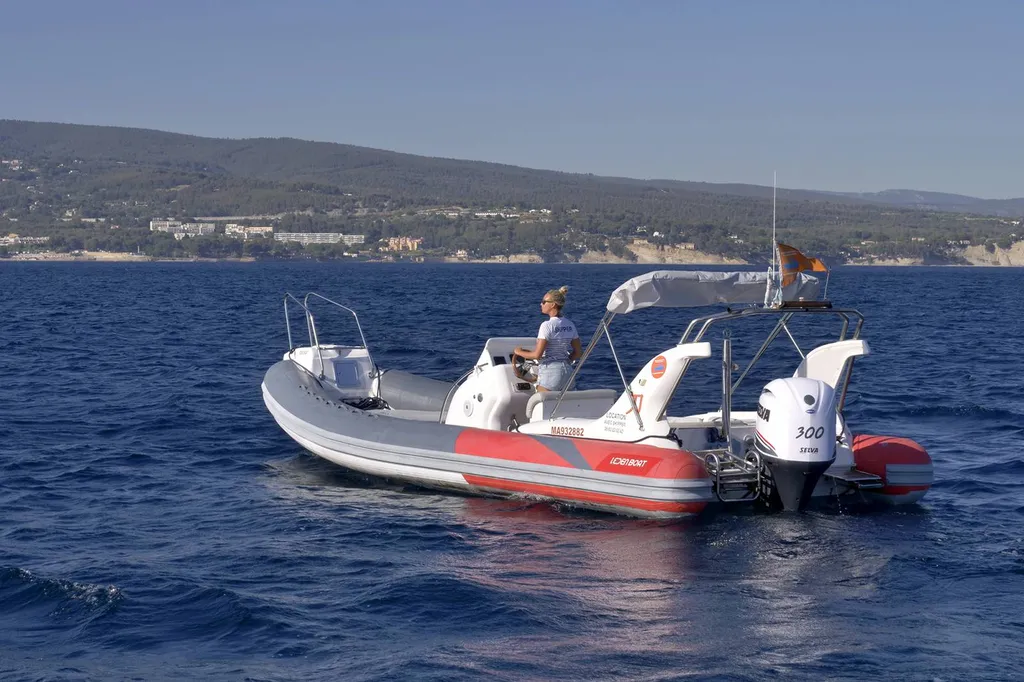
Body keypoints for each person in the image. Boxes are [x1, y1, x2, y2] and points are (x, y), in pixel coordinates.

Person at [514, 286, 582, 392]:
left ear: (553, 305)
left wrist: (519, 352)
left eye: (544, 302)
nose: (541, 304)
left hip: (550, 373)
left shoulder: (546, 325)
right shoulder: (570, 324)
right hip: (567, 372)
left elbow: (537, 355)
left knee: (542, 407)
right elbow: (578, 353)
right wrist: (565, 361)